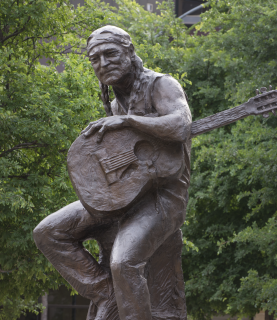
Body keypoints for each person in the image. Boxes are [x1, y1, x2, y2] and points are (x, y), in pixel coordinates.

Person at [33, 25, 192, 320]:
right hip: (123, 195)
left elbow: (181, 125)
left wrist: (129, 122)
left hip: (163, 199)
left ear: (130, 53)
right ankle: (107, 293)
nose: (103, 63)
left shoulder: (162, 85)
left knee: (123, 262)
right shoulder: (114, 99)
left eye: (110, 54)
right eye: (95, 58)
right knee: (48, 232)